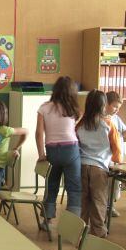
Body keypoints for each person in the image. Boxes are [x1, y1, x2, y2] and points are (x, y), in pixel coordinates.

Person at [36, 76, 82, 225]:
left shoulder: (44, 107)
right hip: (71, 150)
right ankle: (72, 225)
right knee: (74, 188)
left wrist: (41, 154)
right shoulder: (74, 109)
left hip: (52, 150)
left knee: (52, 184)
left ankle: (47, 220)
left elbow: (39, 133)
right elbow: (73, 129)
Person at [77, 89, 122, 238]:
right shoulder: (108, 123)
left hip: (82, 166)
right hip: (99, 169)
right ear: (103, 105)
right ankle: (98, 233)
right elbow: (116, 148)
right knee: (99, 201)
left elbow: (75, 144)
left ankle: (80, 232)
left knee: (82, 201)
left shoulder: (81, 123)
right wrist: (118, 160)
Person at [105, 91, 126, 217]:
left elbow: (124, 133)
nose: (116, 110)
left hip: (117, 158)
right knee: (107, 183)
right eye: (114, 106)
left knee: (115, 185)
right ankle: (105, 206)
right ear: (105, 103)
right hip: (107, 158)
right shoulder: (101, 118)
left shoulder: (116, 118)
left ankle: (111, 205)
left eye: (118, 108)